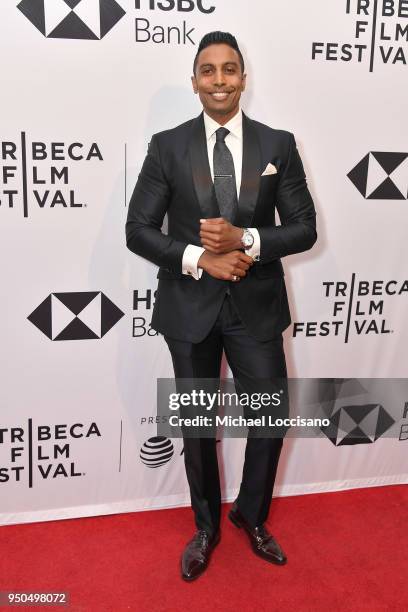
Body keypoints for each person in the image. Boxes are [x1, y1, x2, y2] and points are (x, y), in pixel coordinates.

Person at [126, 31, 317, 581]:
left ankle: (251, 517)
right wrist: (198, 258)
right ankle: (205, 526)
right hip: (190, 308)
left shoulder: (277, 144)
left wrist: (246, 241)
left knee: (270, 417)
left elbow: (304, 229)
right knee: (197, 425)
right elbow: (137, 230)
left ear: (243, 78)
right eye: (207, 71)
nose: (219, 80)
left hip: (256, 307)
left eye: (229, 69)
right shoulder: (168, 145)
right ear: (194, 81)